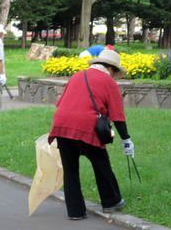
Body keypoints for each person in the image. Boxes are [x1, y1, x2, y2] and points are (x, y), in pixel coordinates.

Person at [48, 49, 135, 220]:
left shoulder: (76, 76)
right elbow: (117, 116)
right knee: (101, 164)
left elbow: (61, 103)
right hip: (87, 126)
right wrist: (126, 139)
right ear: (111, 69)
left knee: (70, 170)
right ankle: (111, 202)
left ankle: (75, 212)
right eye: (116, 73)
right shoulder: (109, 82)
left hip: (62, 126)